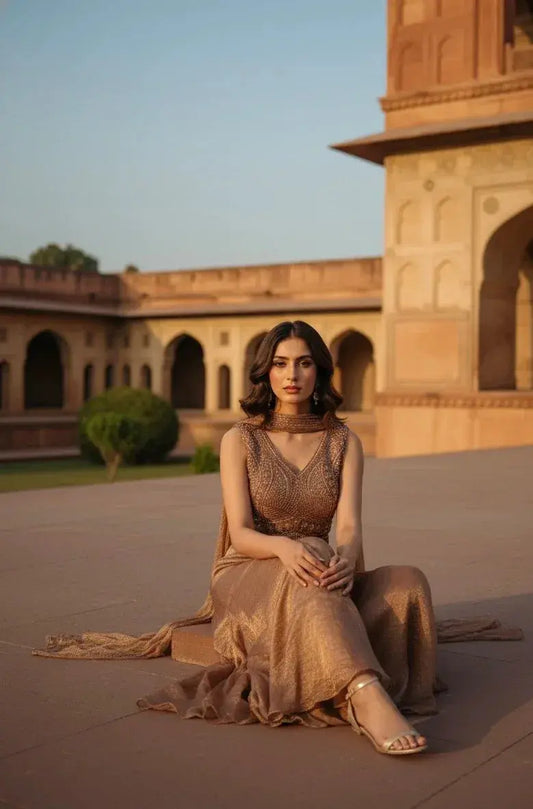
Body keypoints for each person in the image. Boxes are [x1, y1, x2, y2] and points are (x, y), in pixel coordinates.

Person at [34, 320, 523, 756]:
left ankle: (342, 652)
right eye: (281, 363)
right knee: (307, 563)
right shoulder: (239, 440)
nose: (292, 374)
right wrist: (287, 547)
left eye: (305, 363)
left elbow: (349, 526)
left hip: (316, 564)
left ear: (320, 372)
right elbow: (242, 533)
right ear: (266, 372)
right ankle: (365, 693)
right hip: (250, 572)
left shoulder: (343, 441)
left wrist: (346, 558)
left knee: (407, 582)